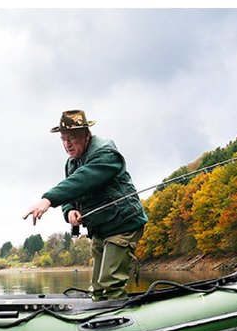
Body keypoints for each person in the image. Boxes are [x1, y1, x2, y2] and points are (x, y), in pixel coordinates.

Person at [25, 110, 147, 300]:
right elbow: (72, 195)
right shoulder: (71, 163)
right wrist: (69, 212)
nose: (67, 144)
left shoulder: (105, 154)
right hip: (101, 229)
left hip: (124, 224)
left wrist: (47, 200)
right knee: (97, 289)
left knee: (110, 284)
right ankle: (99, 320)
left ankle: (117, 324)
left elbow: (81, 181)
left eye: (72, 138)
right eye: (63, 139)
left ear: (86, 135)